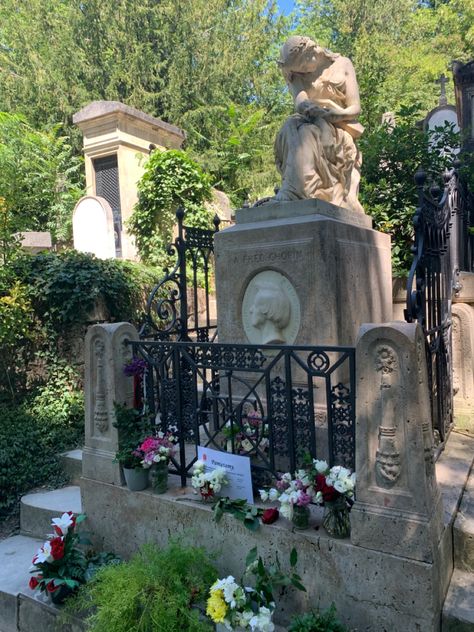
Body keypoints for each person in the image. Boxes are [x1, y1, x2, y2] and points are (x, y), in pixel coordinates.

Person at [273, 35, 364, 213]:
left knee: (306, 135)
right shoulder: (295, 73)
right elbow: (300, 101)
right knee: (291, 127)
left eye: (304, 66)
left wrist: (338, 115)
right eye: (300, 69)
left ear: (312, 52)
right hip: (311, 119)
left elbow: (355, 108)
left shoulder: (343, 64)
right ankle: (294, 191)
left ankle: (300, 193)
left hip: (339, 126)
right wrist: (311, 109)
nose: (304, 71)